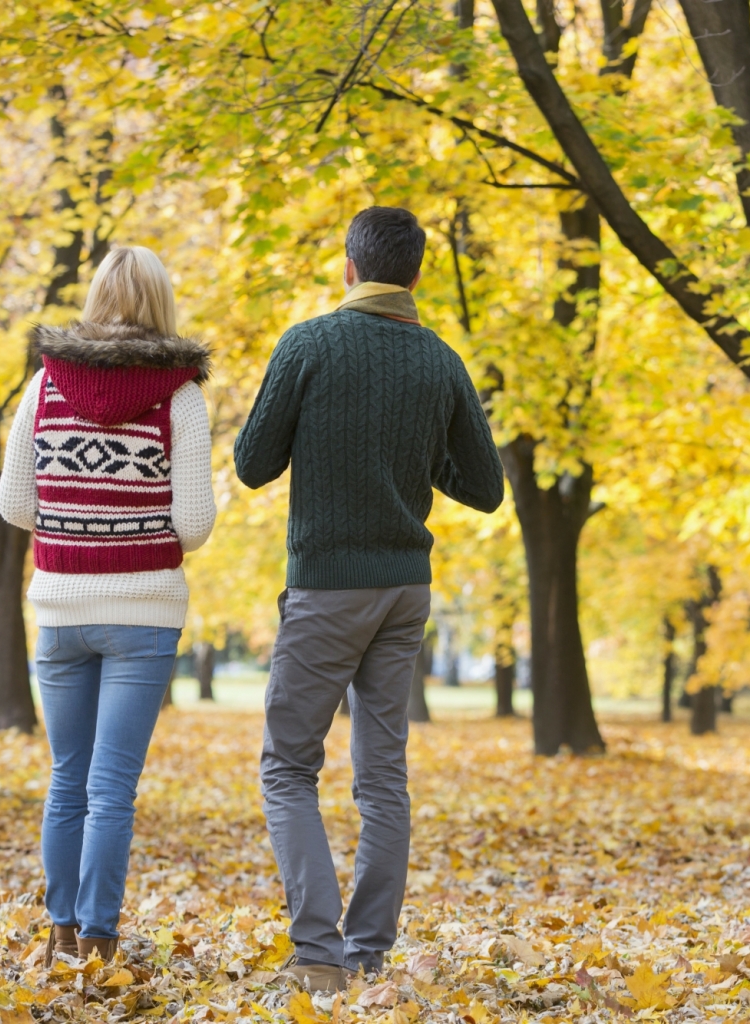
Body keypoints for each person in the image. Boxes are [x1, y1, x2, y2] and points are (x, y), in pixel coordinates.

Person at [234, 207, 504, 992]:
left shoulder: (308, 344)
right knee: (382, 775)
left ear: (349, 267)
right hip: (404, 592)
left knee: (288, 768)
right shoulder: (440, 361)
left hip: (327, 589)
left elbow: (254, 464)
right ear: (415, 274)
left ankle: (319, 955)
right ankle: (369, 951)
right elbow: (484, 488)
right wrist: (408, 463)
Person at [0, 245, 216, 964]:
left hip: (60, 606)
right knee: (111, 786)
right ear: (161, 306)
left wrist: (74, 527)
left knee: (67, 777)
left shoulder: (44, 388)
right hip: (144, 611)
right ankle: (98, 939)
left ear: (94, 300)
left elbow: (13, 503)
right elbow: (194, 525)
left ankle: (58, 929)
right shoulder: (181, 397)